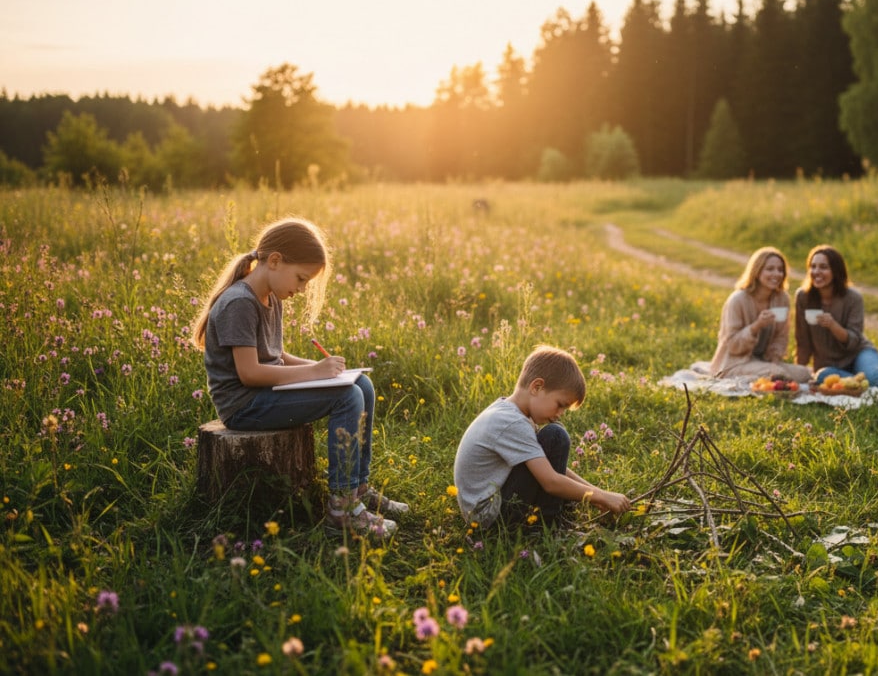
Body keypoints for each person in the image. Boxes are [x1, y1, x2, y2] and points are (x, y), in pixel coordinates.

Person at [191, 217, 406, 539]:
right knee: (346, 396)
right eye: (301, 278)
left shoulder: (270, 297)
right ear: (275, 261)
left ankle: (358, 488)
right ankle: (342, 508)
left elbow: (274, 356)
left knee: (361, 384)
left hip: (265, 395)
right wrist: (315, 373)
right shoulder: (239, 302)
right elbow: (249, 373)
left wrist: (325, 368)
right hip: (244, 407)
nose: (302, 289)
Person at [454, 345, 631, 531]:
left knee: (553, 435)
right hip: (491, 518)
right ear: (537, 387)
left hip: (486, 511)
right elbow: (551, 481)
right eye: (560, 405)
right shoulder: (513, 423)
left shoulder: (509, 412)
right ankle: (547, 526)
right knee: (555, 435)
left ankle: (559, 507)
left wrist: (597, 494)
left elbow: (544, 464)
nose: (560, 414)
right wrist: (600, 496)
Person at [793, 245, 878, 389]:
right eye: (812, 267)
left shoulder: (853, 298)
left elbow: (854, 340)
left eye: (823, 267)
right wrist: (798, 373)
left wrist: (833, 325)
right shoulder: (803, 297)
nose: (816, 272)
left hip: (858, 353)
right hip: (829, 365)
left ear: (836, 271)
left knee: (872, 377)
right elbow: (802, 339)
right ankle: (866, 380)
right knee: (821, 376)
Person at [710, 247, 812, 382]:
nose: (776, 274)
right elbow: (732, 345)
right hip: (735, 362)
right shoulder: (738, 300)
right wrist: (756, 326)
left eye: (780, 270)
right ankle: (763, 377)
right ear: (757, 271)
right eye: (770, 269)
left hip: (763, 362)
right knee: (776, 373)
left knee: (804, 373)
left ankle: (766, 376)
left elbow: (781, 336)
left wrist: (774, 358)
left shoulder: (781, 299)